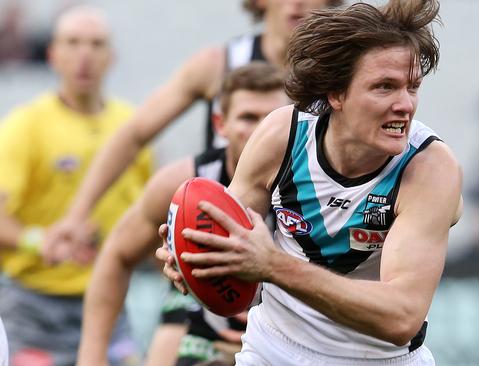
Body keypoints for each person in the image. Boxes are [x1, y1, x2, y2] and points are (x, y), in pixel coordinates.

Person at [158, 0, 463, 364]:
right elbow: (234, 253)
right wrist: (195, 263)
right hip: (273, 350)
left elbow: (401, 317)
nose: (405, 105)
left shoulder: (428, 168)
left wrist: (272, 265)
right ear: (335, 93)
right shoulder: (281, 135)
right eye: (384, 87)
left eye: (412, 87)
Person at [46, 0, 342, 258]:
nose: (297, 2)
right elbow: (134, 134)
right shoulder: (219, 64)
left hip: (304, 249)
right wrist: (77, 215)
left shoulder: (342, 79)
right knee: (174, 321)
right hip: (221, 241)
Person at [76, 63, 288, 366]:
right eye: (248, 117)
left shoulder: (313, 185)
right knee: (180, 309)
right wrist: (91, 357)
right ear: (220, 124)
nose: (259, 130)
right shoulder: (182, 184)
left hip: (288, 320)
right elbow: (117, 254)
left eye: (270, 119)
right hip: (203, 313)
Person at [0, 5, 151, 365]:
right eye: (72, 43)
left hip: (110, 302)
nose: (84, 55)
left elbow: (147, 214)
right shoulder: (24, 126)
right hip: (35, 307)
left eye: (96, 44)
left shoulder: (133, 127)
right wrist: (42, 241)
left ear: (111, 56)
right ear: (53, 55)